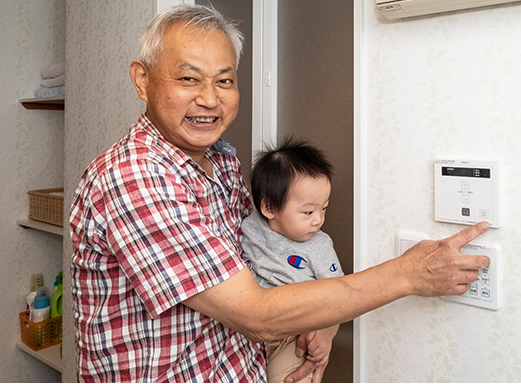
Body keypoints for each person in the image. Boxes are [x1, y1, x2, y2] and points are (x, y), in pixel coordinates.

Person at [70, 4, 490, 383]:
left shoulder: (219, 160)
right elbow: (255, 313)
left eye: (225, 80)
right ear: (142, 80)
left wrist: (324, 323)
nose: (209, 98)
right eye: (187, 78)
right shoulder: (134, 177)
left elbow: (259, 255)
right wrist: (407, 274)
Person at [241, 139, 342, 383]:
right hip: (246, 331)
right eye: (308, 212)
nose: (318, 220)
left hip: (294, 337)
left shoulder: (319, 245)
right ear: (269, 208)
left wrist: (327, 333)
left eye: (324, 208)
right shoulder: (249, 225)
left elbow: (340, 295)